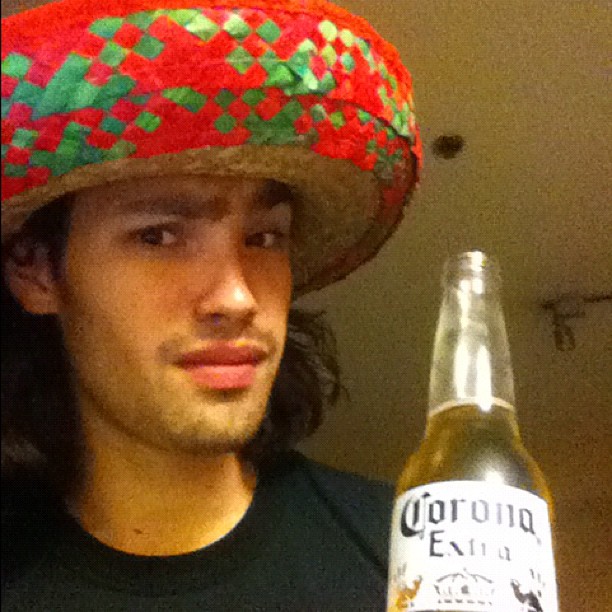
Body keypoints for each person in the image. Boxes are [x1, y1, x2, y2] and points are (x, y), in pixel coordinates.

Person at [1, 0, 422, 608]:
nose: (237, 297)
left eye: (264, 238)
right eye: (158, 236)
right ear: (36, 271)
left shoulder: (412, 562)